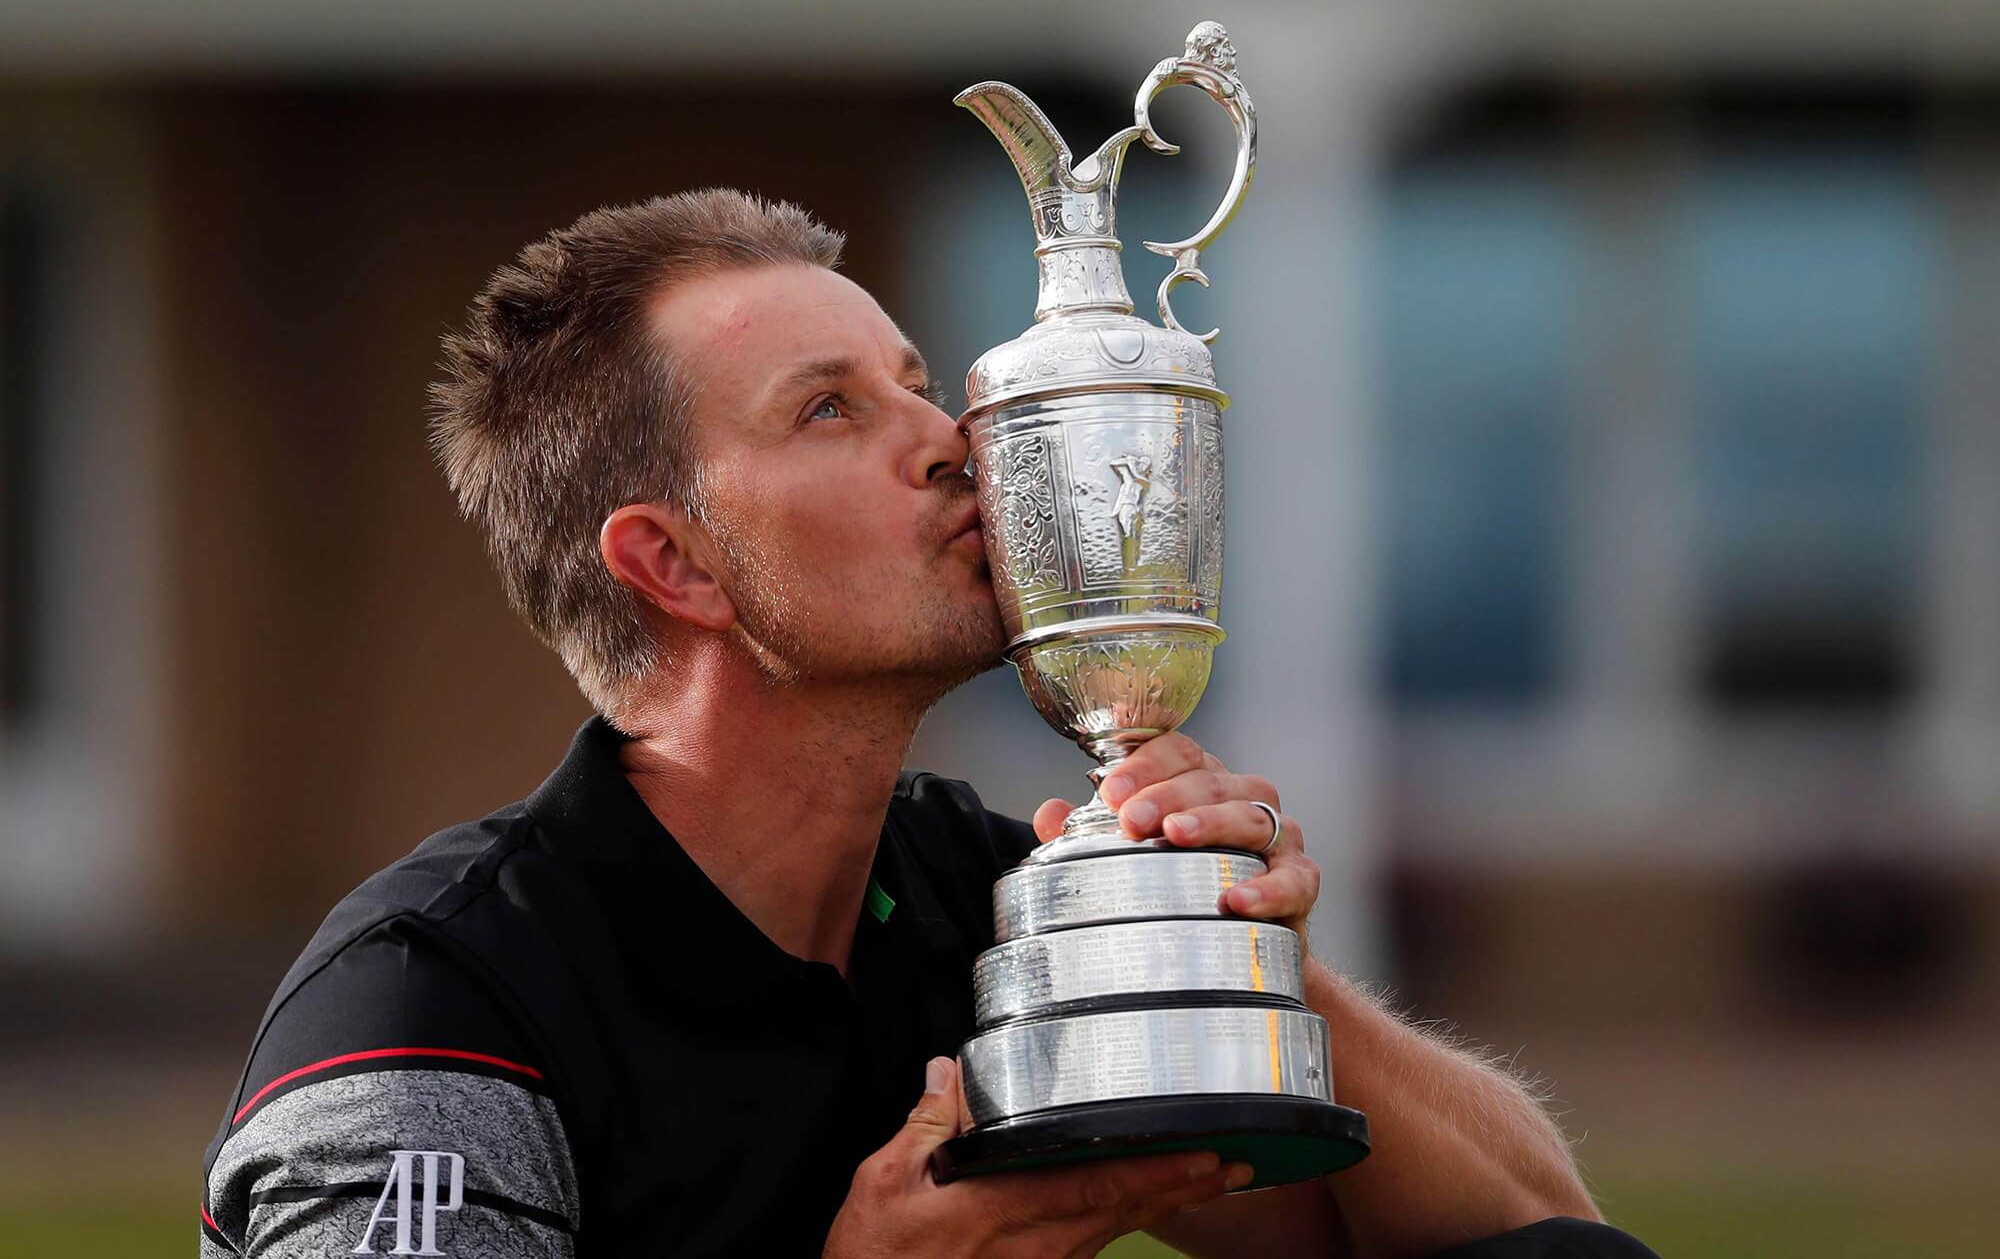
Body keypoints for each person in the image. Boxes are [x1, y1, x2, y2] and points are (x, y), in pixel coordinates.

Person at [200, 189, 1655, 1258]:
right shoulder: (435, 1008)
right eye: (830, 411)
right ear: (675, 564)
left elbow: (1530, 1226)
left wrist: (1236, 960)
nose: (953, 439)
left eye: (914, 380)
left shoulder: (986, 905)